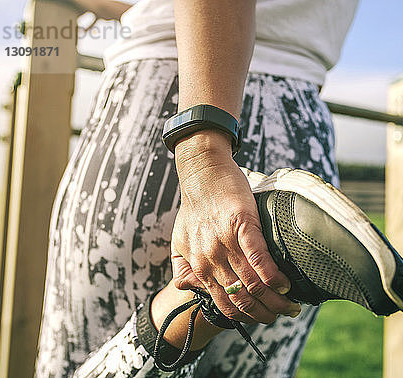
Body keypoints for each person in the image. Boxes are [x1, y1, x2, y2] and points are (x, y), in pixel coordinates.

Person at [36, 0, 362, 376]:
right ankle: (206, 301)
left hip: (171, 103)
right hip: (298, 131)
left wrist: (202, 153)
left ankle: (180, 315)